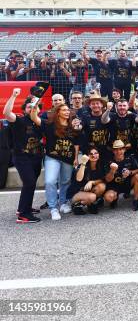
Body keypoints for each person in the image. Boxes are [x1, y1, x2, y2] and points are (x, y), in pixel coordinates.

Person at [30, 103, 82, 221]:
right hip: (52, 157)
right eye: (64, 110)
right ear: (58, 112)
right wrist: (35, 105)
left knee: (65, 181)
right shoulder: (50, 124)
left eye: (68, 110)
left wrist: (75, 158)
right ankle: (53, 208)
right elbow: (34, 117)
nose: (67, 112)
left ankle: (63, 203)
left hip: (68, 158)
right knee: (50, 181)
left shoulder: (72, 125)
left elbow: (76, 142)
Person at [4, 88, 44, 223]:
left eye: (34, 106)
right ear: (24, 109)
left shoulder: (39, 121)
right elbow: (7, 113)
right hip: (22, 157)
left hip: (37, 157)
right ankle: (23, 214)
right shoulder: (19, 120)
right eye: (28, 106)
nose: (31, 108)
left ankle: (25, 207)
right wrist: (14, 95)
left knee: (30, 184)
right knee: (29, 182)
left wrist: (36, 103)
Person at [104, 140, 138, 210]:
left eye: (121, 149)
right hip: (114, 186)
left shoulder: (130, 158)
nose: (118, 152)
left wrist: (130, 172)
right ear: (113, 151)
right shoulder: (109, 161)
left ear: (124, 150)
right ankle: (115, 199)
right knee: (108, 198)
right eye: (116, 150)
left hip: (127, 183)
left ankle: (136, 200)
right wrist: (112, 171)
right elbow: (107, 179)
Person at [71, 148, 106, 215]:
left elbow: (102, 179)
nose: (93, 155)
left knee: (102, 186)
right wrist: (83, 163)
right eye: (91, 154)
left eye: (96, 153)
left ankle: (91, 204)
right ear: (87, 156)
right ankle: (77, 205)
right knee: (92, 197)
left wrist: (92, 182)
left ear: (99, 154)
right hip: (77, 192)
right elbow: (79, 179)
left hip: (88, 191)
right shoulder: (83, 165)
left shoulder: (100, 165)